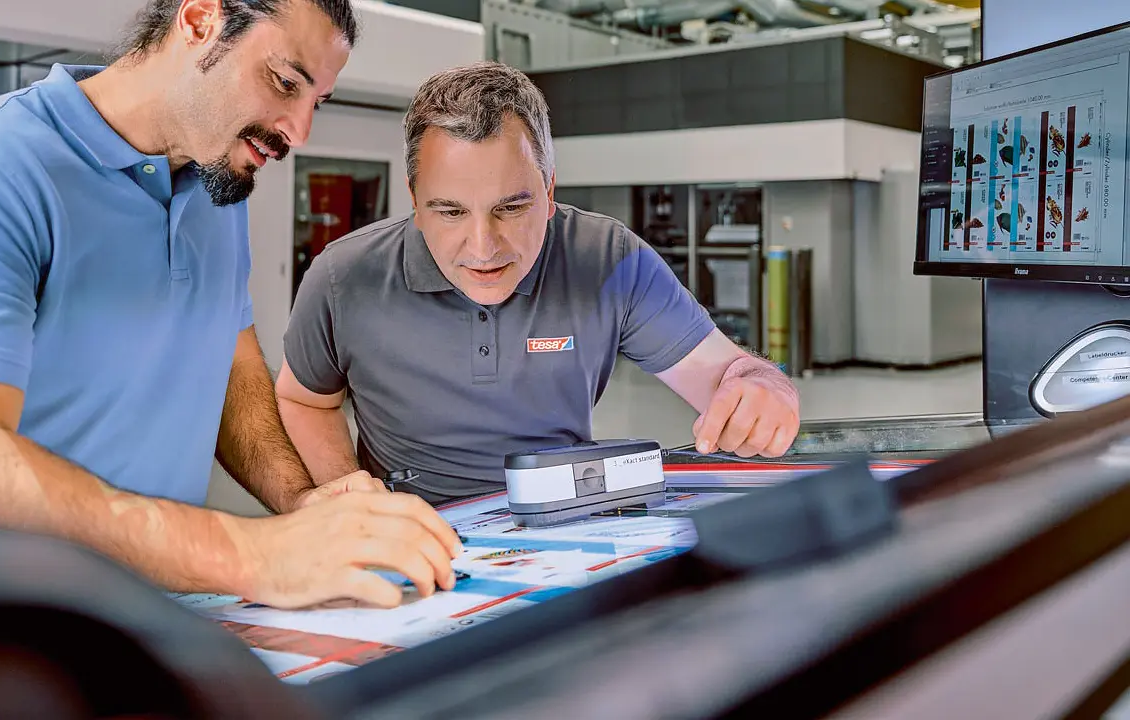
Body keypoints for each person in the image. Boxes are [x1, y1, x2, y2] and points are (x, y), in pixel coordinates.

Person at [0, 0, 462, 610]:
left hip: (135, 613)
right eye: (285, 83)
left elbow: (230, 366)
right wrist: (248, 554)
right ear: (200, 20)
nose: (298, 131)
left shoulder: (216, 190)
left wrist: (301, 501)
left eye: (317, 101)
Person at [277, 61, 801, 505]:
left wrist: (763, 385)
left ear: (549, 191)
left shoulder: (609, 260)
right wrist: (346, 497)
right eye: (451, 211)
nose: (484, 248)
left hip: (565, 522)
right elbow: (305, 400)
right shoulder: (344, 277)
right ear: (415, 201)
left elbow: (729, 372)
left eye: (512, 207)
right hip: (410, 533)